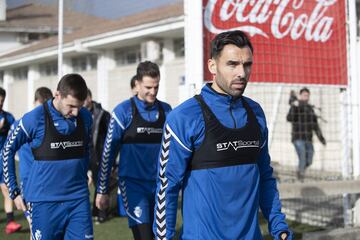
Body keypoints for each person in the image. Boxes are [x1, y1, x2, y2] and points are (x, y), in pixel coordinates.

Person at [152, 30, 292, 239]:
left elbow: (265, 176)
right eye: (232, 64)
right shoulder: (184, 117)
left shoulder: (255, 113)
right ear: (212, 66)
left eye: (247, 65)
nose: (241, 73)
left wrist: (278, 225)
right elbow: (167, 185)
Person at [2, 74, 94, 239]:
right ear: (57, 94)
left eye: (79, 106)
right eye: (71, 106)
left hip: (78, 199)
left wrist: (86, 169)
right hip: (44, 202)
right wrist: (13, 192)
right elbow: (7, 149)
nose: (75, 112)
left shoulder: (85, 117)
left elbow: (86, 147)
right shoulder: (35, 118)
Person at [96, 61, 172, 240]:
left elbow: (176, 149)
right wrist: (102, 189)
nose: (153, 92)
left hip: (161, 186)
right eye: (148, 87)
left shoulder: (167, 111)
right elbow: (108, 153)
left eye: (156, 87)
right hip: (133, 185)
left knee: (161, 237)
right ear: (137, 84)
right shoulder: (123, 111)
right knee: (144, 236)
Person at [84, 88, 111, 223]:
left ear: (89, 98)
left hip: (99, 154)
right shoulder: (80, 114)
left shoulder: (102, 114)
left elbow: (110, 135)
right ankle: (95, 210)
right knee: (92, 183)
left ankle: (102, 212)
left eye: (85, 98)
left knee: (100, 183)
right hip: (86, 154)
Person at [287, 87, 326, 180]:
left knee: (309, 160)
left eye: (307, 95)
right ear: (300, 96)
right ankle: (300, 177)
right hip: (298, 138)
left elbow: (315, 126)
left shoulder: (310, 109)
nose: (306, 97)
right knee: (303, 158)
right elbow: (289, 118)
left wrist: (321, 139)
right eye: (304, 95)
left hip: (308, 139)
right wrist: (293, 106)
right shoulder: (296, 106)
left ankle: (299, 171)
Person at [0, 87, 21, 234]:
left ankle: (10, 222)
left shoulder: (8, 117)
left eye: (2, 101)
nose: (0, 103)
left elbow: (16, 136)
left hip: (3, 160)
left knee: (6, 189)